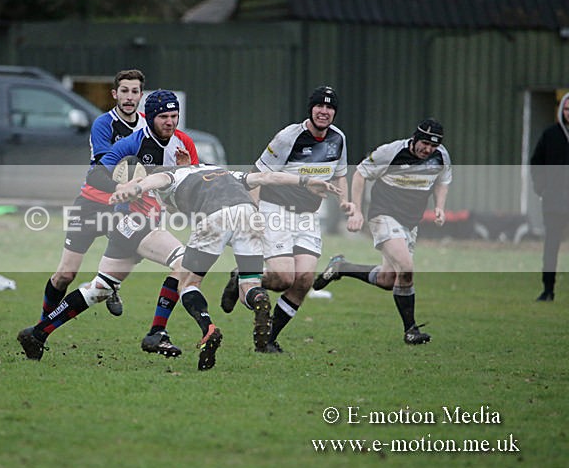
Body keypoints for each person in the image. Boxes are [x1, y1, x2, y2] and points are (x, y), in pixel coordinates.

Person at [18, 90, 199, 362]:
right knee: (184, 261)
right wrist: (122, 187)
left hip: (149, 220)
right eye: (163, 116)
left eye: (174, 116)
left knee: (101, 287)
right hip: (130, 220)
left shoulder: (182, 146)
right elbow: (96, 174)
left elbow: (179, 203)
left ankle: (38, 334)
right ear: (150, 117)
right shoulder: (131, 144)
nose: (170, 122)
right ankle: (157, 332)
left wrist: (185, 173)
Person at [109, 164, 341, 370]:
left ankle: (208, 327)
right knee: (249, 283)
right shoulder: (223, 172)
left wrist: (136, 189)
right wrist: (307, 181)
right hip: (250, 214)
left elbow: (155, 180)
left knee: (188, 282)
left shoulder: (171, 176)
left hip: (216, 215)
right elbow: (267, 177)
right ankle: (257, 296)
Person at [220, 85, 353, 353]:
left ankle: (268, 339)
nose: (324, 111)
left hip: (308, 216)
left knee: (303, 280)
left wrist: (346, 202)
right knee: (282, 278)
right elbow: (257, 174)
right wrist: (254, 213)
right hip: (275, 210)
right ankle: (242, 278)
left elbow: (340, 173)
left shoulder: (338, 138)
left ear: (334, 112)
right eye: (319, 106)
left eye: (329, 107)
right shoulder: (288, 137)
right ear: (311, 109)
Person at [312, 118, 452, 345]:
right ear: (415, 138)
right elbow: (360, 173)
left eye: (433, 146)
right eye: (425, 143)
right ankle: (411, 330)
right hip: (383, 215)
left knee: (389, 279)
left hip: (410, 223)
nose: (428, 149)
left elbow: (442, 181)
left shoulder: (441, 156)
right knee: (406, 268)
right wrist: (356, 210)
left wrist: (440, 207)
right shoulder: (391, 152)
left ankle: (341, 267)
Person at [41, 69, 147, 319]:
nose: (129, 97)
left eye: (134, 91)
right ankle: (43, 323)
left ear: (141, 95)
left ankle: (111, 283)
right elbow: (104, 169)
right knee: (65, 274)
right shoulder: (104, 123)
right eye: (124, 91)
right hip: (91, 203)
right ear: (115, 94)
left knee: (140, 245)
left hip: (123, 207)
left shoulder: (147, 125)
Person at [530, 91, 569, 302]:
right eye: (566, 108)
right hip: (554, 202)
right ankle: (548, 289)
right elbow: (536, 162)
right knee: (551, 246)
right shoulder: (550, 135)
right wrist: (541, 188)